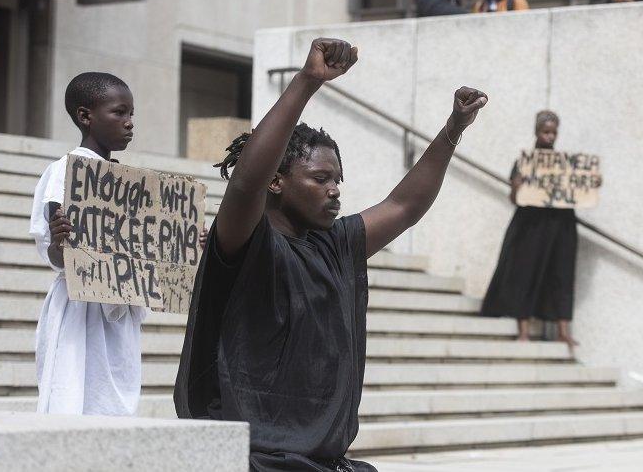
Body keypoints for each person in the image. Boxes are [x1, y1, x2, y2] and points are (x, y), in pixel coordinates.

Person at [174, 38, 488, 472]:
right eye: (320, 178)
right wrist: (307, 82)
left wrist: (453, 129)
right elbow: (246, 183)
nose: (335, 189)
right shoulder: (246, 241)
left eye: (338, 179)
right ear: (278, 182)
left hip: (322, 459)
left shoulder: (336, 243)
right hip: (253, 459)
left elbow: (404, 206)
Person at [30, 72, 146, 416]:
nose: (129, 123)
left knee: (113, 406)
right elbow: (56, 250)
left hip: (118, 304)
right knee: (75, 396)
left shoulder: (124, 179)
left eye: (131, 115)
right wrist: (62, 240)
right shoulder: (65, 171)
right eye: (119, 113)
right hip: (80, 308)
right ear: (85, 116)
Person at [480, 111, 579, 347]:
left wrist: (588, 183)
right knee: (523, 273)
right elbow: (514, 198)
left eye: (554, 132)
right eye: (546, 131)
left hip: (560, 224)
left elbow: (578, 193)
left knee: (561, 275)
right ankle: (522, 330)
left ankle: (563, 331)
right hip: (530, 225)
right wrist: (517, 185)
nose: (550, 136)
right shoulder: (524, 162)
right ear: (536, 132)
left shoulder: (566, 164)